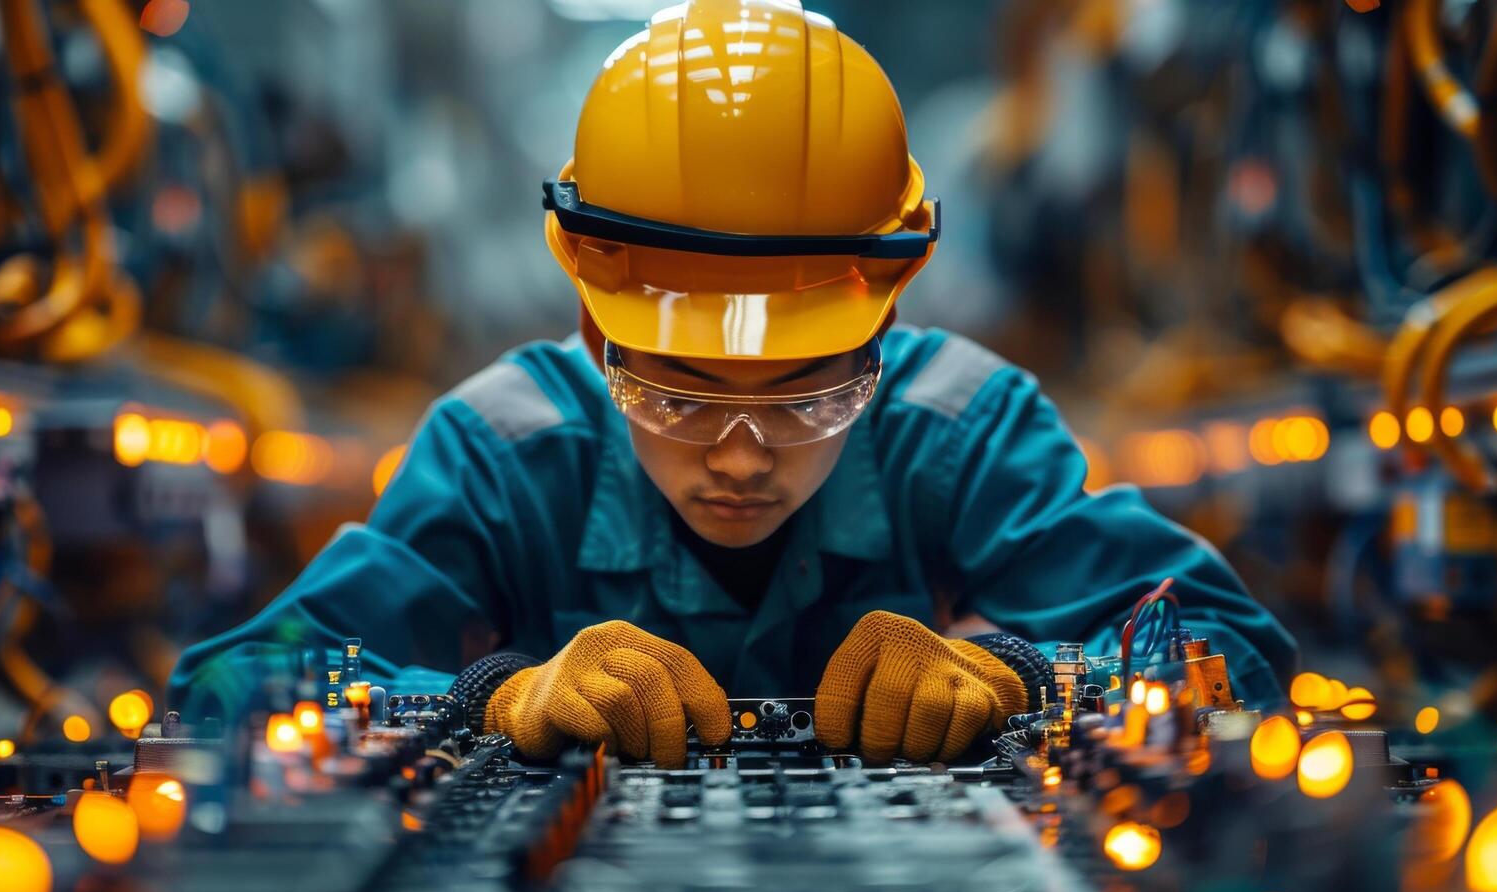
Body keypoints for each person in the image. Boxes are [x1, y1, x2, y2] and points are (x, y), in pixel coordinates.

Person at [169, 0, 1293, 768]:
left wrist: (1014, 673)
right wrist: (492, 695)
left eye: (810, 396)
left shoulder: (965, 429)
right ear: (593, 333)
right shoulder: (503, 452)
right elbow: (225, 695)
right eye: (679, 394)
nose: (743, 452)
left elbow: (1238, 656)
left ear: (884, 329)